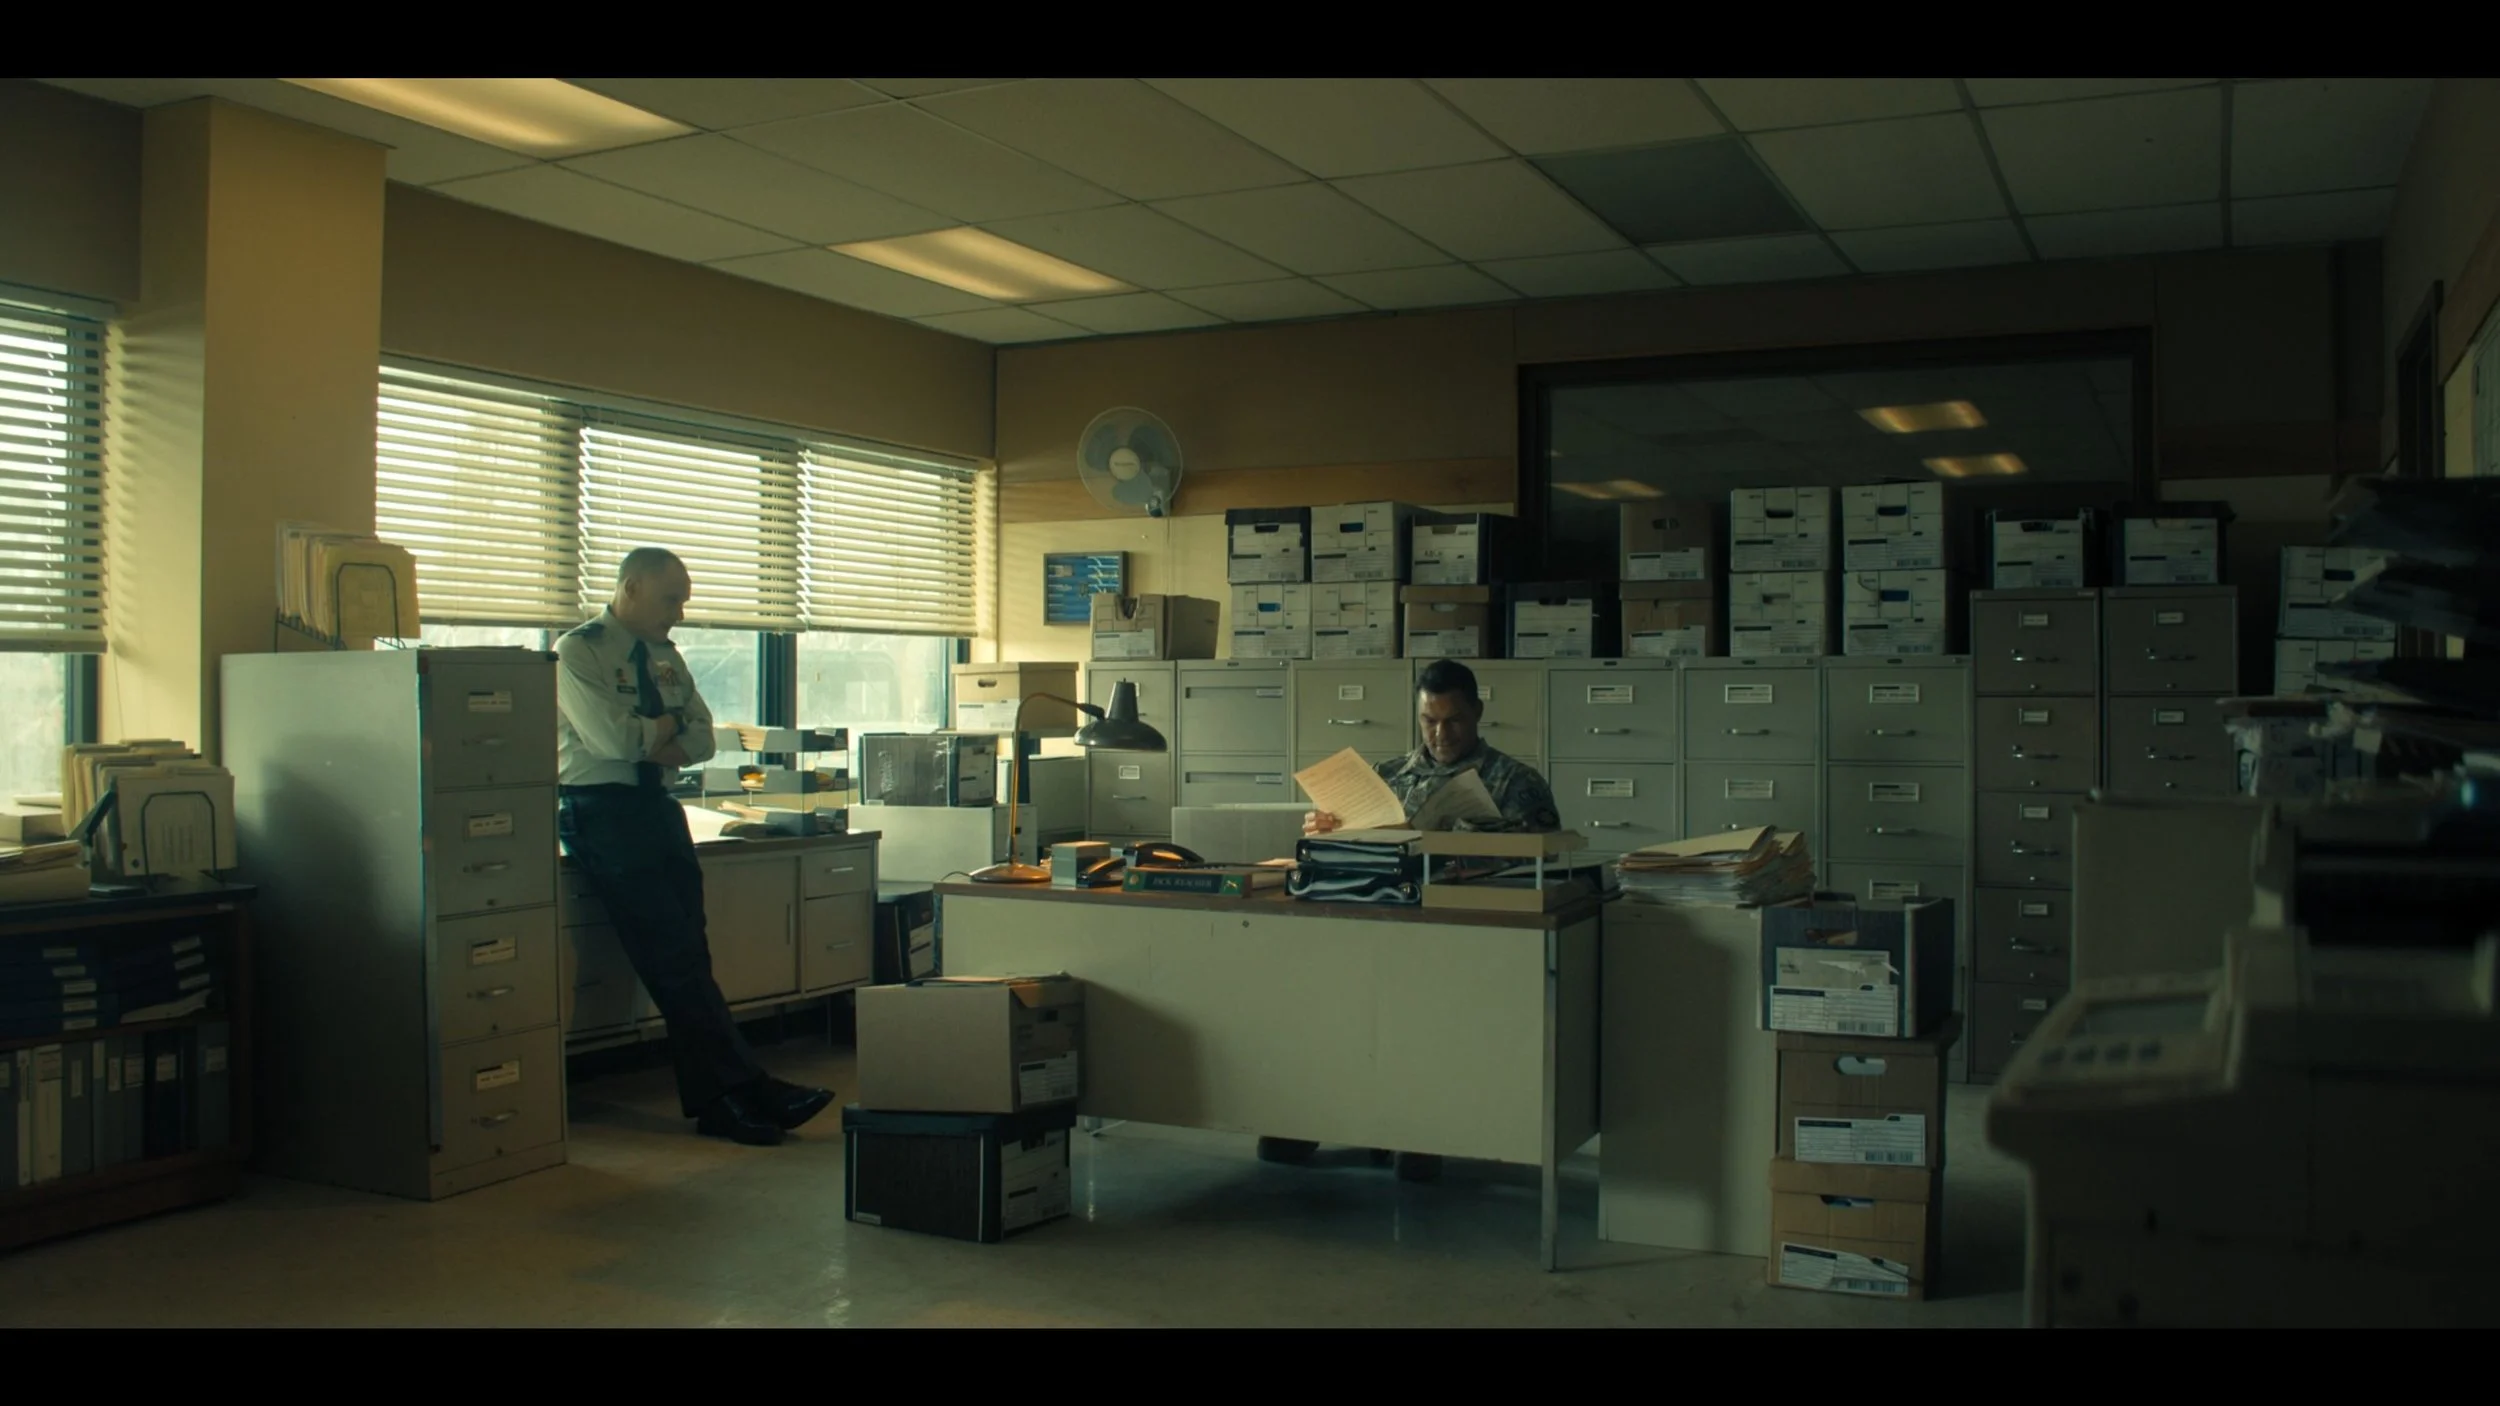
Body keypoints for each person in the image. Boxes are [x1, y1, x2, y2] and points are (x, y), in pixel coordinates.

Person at [554, 547, 834, 1147]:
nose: (679, 613)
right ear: (630, 588)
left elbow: (707, 739)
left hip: (656, 807)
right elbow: (609, 739)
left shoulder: (665, 657)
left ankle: (739, 1091)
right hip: (602, 812)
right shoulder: (577, 651)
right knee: (672, 960)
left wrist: (650, 736)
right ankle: (731, 1096)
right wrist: (661, 731)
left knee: (689, 956)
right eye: (670, 599)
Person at [1267, 658, 1563, 1182]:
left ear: (1477, 713)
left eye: (1453, 721)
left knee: (1425, 1016)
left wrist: (1458, 847)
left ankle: (1419, 1130)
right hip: (1372, 924)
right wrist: (1322, 829)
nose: (1440, 734)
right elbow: (1341, 852)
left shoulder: (1517, 782)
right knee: (1323, 1004)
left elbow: (1540, 860)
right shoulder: (1386, 777)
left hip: (1458, 936)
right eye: (1429, 721)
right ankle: (1310, 1115)